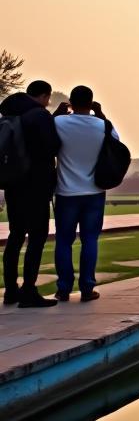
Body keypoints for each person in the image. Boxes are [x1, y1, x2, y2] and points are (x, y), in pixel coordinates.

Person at [53, 86, 118, 303]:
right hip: (94, 190)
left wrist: (58, 113)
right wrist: (101, 115)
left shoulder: (60, 122)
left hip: (66, 191)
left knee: (64, 241)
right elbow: (116, 144)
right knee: (90, 239)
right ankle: (87, 287)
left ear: (70, 101)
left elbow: (46, 137)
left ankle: (63, 288)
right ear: (92, 103)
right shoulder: (102, 125)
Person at [1, 79, 60, 308]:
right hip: (36, 184)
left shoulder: (11, 114)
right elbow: (52, 146)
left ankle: (10, 290)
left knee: (15, 236)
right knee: (37, 237)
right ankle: (29, 290)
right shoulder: (39, 116)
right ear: (45, 95)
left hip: (13, 183)